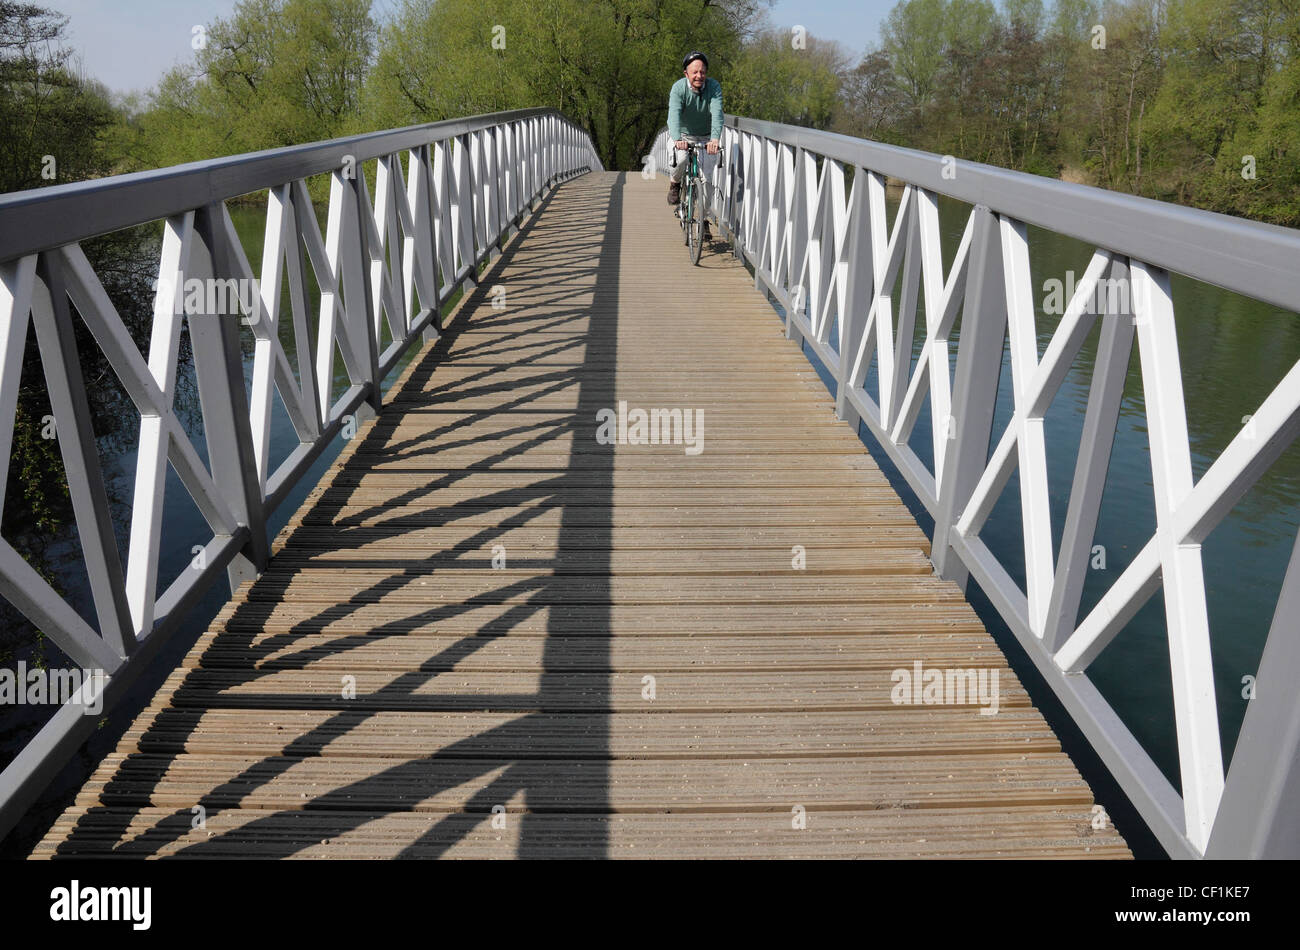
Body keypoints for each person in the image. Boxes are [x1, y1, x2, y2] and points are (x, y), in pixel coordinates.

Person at [666, 51, 722, 241]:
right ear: (686, 74)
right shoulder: (678, 88)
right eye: (695, 72)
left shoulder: (713, 87)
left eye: (703, 72)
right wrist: (676, 138)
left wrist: (715, 139)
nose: (699, 76)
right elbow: (673, 115)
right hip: (682, 135)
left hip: (706, 138)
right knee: (680, 159)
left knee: (707, 181)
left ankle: (703, 220)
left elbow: (717, 113)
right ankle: (675, 184)